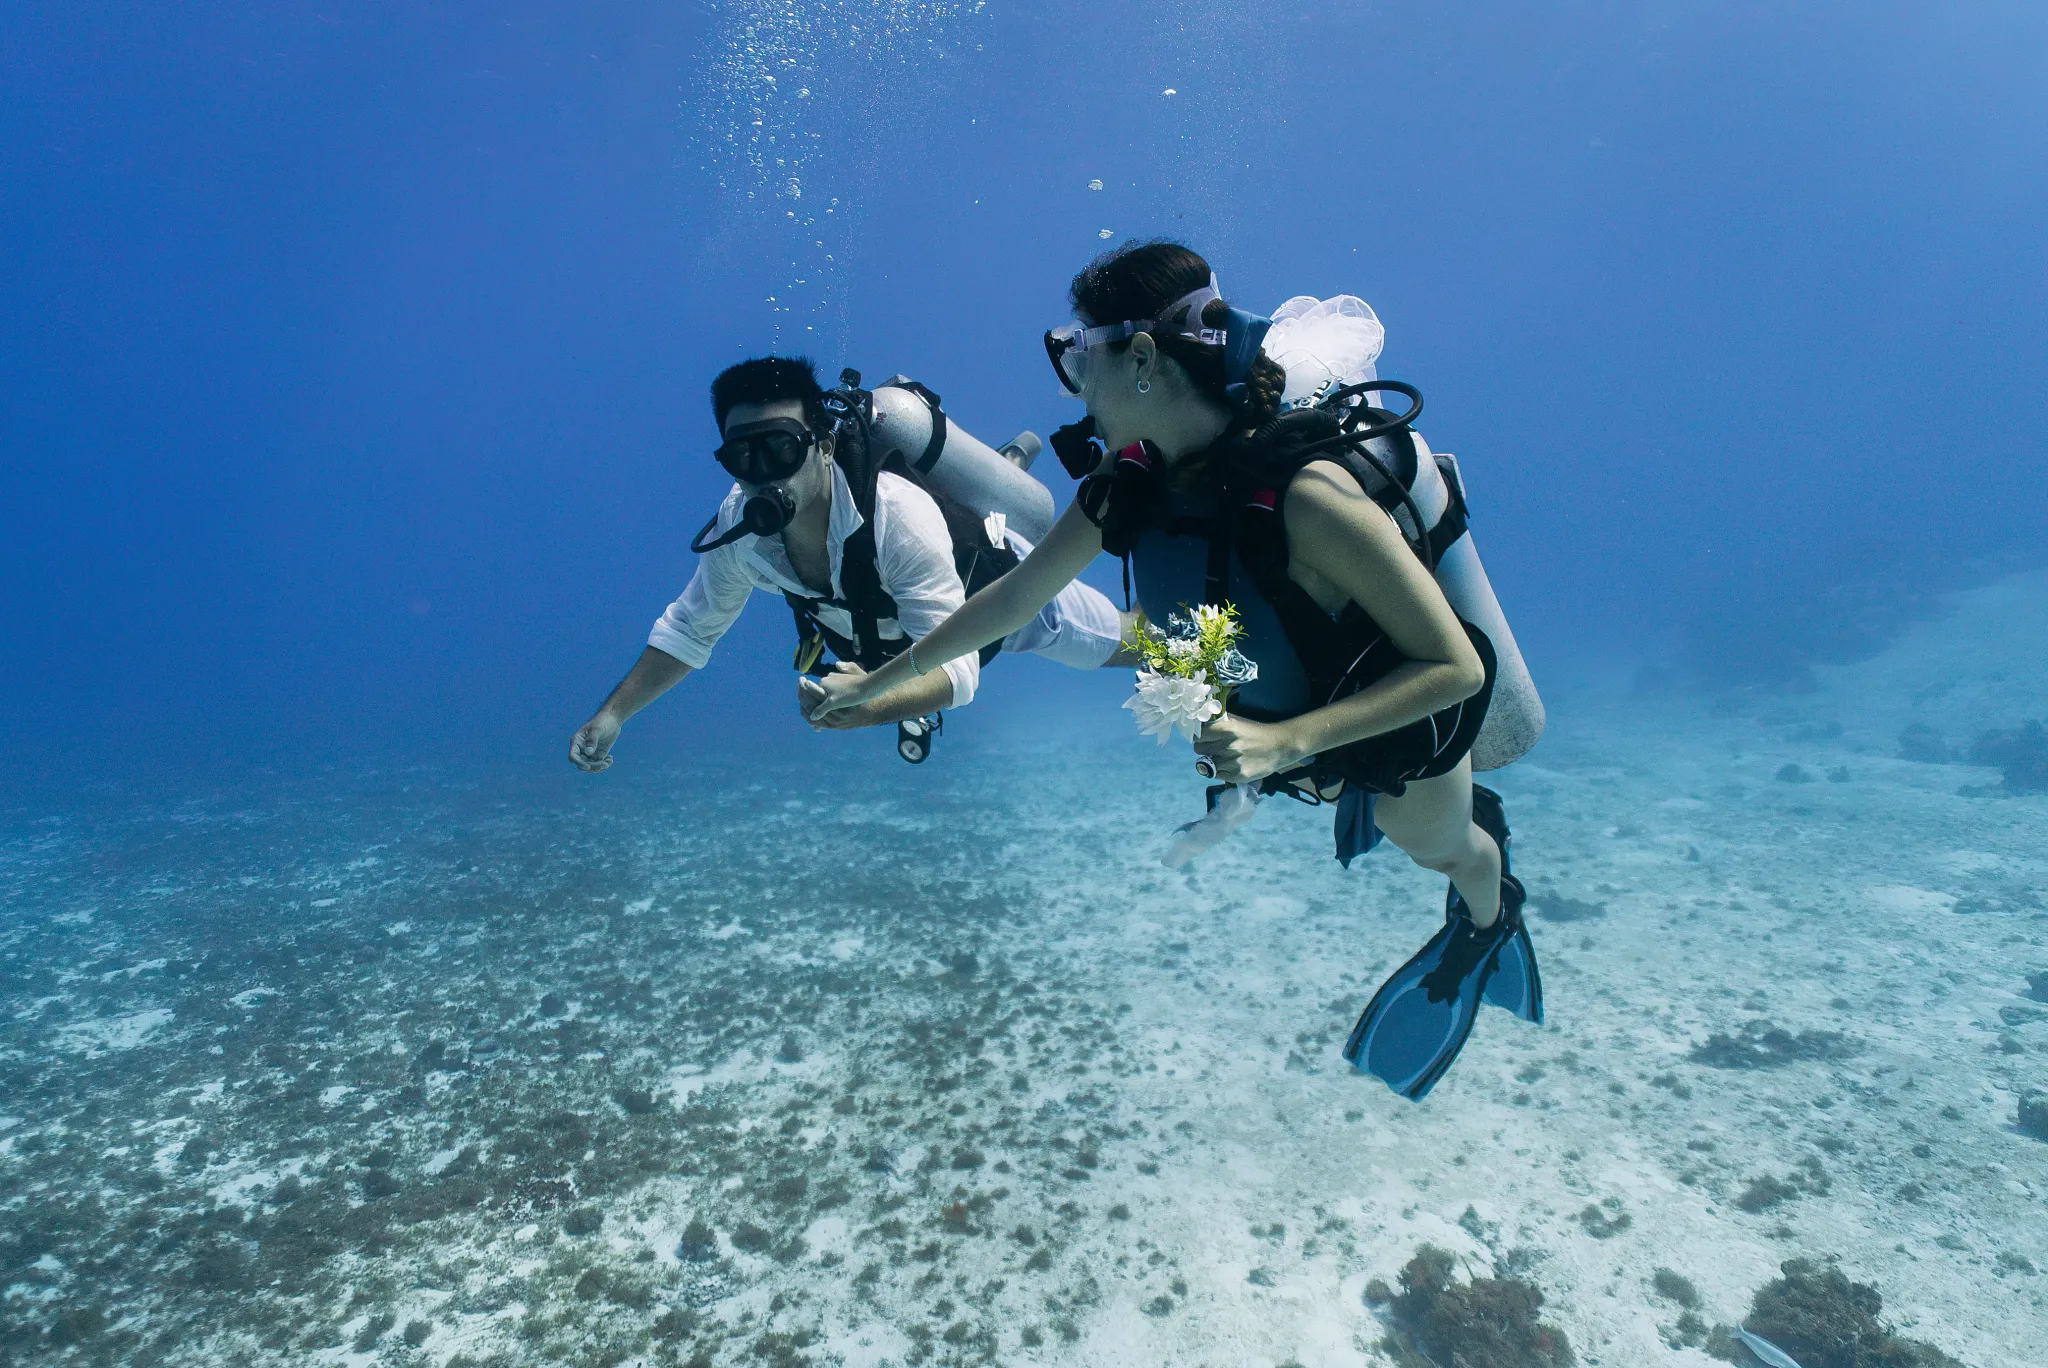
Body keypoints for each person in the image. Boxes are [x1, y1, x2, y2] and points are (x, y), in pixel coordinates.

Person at [803, 244, 1544, 1100]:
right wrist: (882, 679)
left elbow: (1455, 666)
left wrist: (1282, 740)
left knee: (1440, 849)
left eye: (1079, 356)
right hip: (1278, 716)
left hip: (1373, 722)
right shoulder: (1126, 486)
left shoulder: (1310, 499)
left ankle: (1490, 921)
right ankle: (1354, 790)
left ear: (1145, 359)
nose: (1073, 384)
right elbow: (1008, 603)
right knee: (1326, 777)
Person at [569, 356, 1130, 773]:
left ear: (824, 446)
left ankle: (1003, 482)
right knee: (893, 670)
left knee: (1130, 645)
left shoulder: (896, 517)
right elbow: (690, 631)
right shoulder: (739, 530)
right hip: (882, 647)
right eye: (743, 457)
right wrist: (614, 714)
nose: (764, 474)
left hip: (1002, 597)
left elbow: (960, 672)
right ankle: (1002, 472)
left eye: (782, 449)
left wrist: (872, 703)